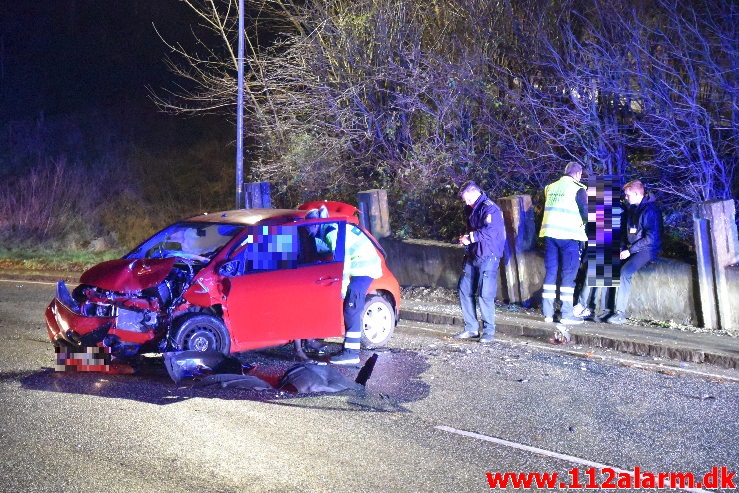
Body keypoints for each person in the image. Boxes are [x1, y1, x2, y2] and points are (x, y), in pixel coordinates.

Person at [305, 205, 383, 364]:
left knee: (352, 308)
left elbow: (343, 261)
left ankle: (351, 354)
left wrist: (342, 286)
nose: (308, 231)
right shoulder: (332, 228)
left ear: (317, 224)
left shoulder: (332, 233)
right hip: (364, 265)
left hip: (363, 267)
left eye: (310, 227)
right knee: (351, 307)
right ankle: (349, 350)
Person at [454, 181, 506, 344]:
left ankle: (488, 331)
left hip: (488, 255)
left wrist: (470, 238)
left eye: (467, 198)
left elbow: (490, 231)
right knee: (464, 289)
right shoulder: (472, 208)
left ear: (475, 193)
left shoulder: (490, 208)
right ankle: (471, 328)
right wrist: (466, 239)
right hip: (474, 254)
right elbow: (473, 229)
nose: (465, 202)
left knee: (485, 294)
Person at [539, 162, 588, 324]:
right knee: (568, 276)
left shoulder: (550, 187)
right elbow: (586, 213)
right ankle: (567, 314)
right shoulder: (578, 189)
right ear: (578, 174)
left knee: (551, 273)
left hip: (550, 235)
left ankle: (547, 313)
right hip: (569, 237)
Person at [608, 180, 663, 324]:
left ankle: (620, 313)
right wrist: (622, 247)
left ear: (637, 193)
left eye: (628, 195)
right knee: (609, 265)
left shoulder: (650, 211)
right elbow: (626, 232)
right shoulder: (632, 208)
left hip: (648, 249)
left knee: (625, 272)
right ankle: (607, 309)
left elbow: (651, 238)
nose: (625, 197)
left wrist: (630, 250)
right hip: (632, 247)